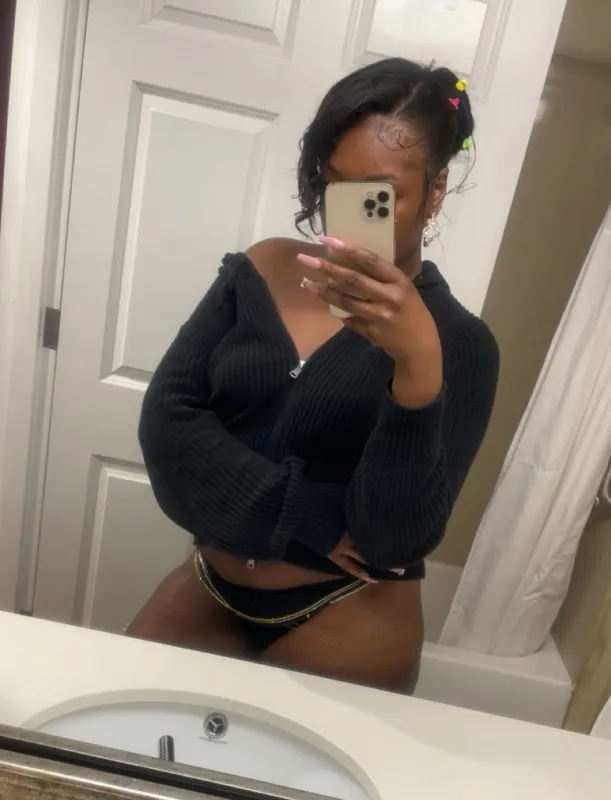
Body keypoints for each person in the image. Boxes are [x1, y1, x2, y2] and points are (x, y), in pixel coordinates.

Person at [127, 57, 499, 693]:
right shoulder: (262, 267)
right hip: (209, 585)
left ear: (435, 191)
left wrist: (416, 368)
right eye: (335, 183)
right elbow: (166, 425)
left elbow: (391, 542)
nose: (347, 216)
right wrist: (307, 516)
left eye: (378, 195)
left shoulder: (459, 343)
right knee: (114, 733)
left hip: (350, 615)